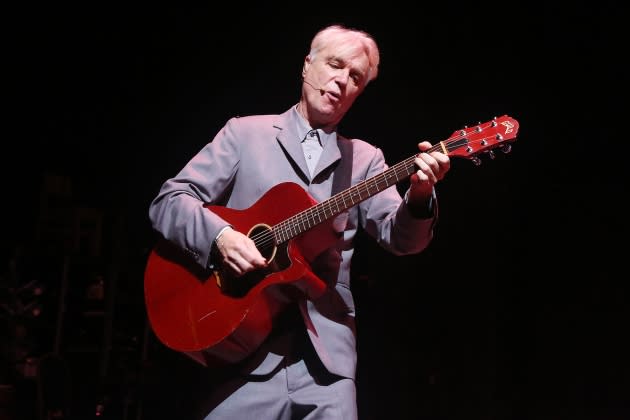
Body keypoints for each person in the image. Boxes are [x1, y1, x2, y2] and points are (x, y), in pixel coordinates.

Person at [148, 24, 451, 420]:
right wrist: (221, 237)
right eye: (335, 65)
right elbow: (169, 201)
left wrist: (421, 195)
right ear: (307, 66)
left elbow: (402, 240)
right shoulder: (245, 134)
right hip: (242, 348)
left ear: (359, 92)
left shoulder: (365, 160)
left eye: (355, 77)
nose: (342, 80)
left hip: (326, 359)